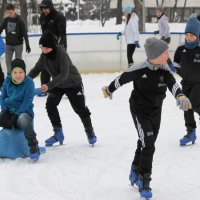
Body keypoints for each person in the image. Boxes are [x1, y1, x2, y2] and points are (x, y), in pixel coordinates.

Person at [102, 37, 191, 199]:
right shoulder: (139, 69)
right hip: (139, 110)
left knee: (146, 141)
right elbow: (121, 79)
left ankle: (135, 168)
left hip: (156, 110)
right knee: (148, 144)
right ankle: (145, 180)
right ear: (155, 55)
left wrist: (181, 96)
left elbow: (174, 85)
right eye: (165, 52)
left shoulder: (164, 70)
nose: (168, 55)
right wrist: (108, 90)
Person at [28, 31, 97, 146]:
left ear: (51, 47)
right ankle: (58, 133)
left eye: (45, 48)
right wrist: (25, 81)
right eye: (41, 48)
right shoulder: (44, 55)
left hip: (73, 83)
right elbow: (36, 69)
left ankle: (90, 131)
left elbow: (64, 74)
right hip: (58, 84)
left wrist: (48, 85)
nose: (43, 51)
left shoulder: (61, 53)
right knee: (50, 105)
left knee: (80, 109)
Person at [0, 58, 40, 161]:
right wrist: (4, 110)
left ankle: (33, 146)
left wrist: (16, 114)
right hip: (9, 112)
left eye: (21, 72)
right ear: (11, 73)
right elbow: (2, 96)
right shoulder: (7, 80)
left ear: (25, 72)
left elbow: (27, 101)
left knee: (23, 119)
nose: (18, 75)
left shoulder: (29, 83)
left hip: (24, 112)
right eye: (15, 72)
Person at [172, 16, 200, 145]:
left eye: (192, 35)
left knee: (190, 103)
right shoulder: (180, 48)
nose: (188, 37)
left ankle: (191, 132)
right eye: (187, 34)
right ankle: (191, 132)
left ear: (198, 35)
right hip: (186, 83)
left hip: (199, 83)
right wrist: (174, 68)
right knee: (186, 107)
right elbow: (176, 63)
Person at [38, 0, 67, 97]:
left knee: (62, 69)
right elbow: (44, 32)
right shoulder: (42, 17)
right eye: (42, 8)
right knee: (45, 67)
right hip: (46, 46)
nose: (44, 10)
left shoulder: (59, 17)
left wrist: (60, 47)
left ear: (51, 7)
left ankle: (70, 88)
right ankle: (45, 88)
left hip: (58, 46)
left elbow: (62, 34)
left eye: (46, 8)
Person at [0, 4, 31, 75]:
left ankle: (19, 76)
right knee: (8, 61)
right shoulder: (6, 20)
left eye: (10, 12)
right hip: (8, 45)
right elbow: (0, 29)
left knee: (18, 62)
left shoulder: (19, 20)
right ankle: (10, 75)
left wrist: (27, 44)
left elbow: (24, 33)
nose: (9, 14)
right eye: (7, 12)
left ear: (14, 10)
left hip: (18, 45)